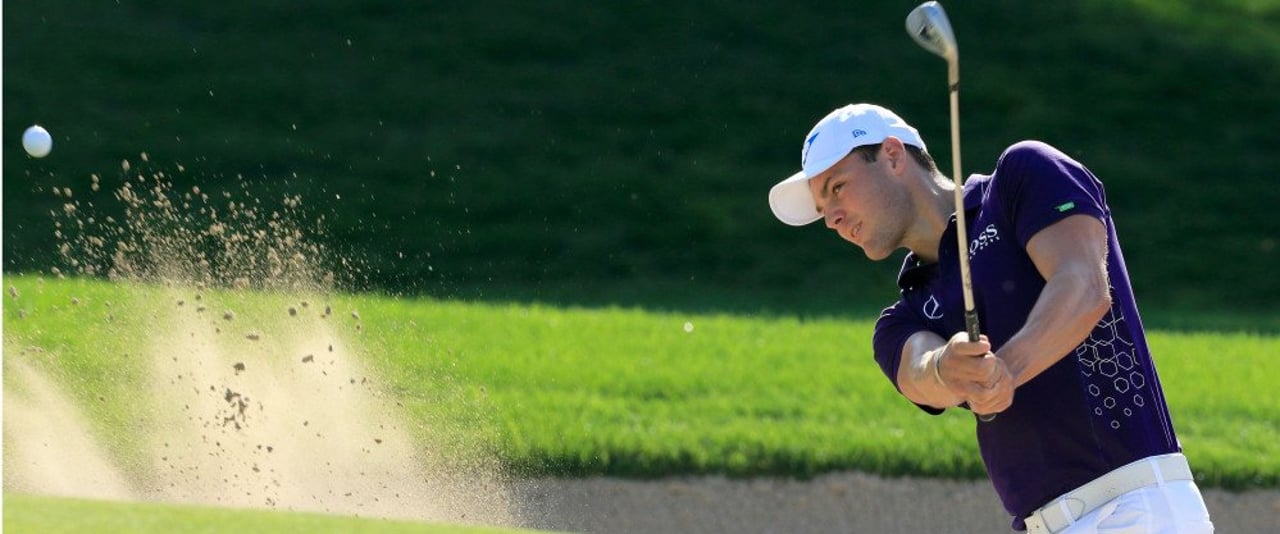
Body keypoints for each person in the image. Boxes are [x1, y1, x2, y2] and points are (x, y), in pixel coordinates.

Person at [767, 103, 1215, 533]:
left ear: (892, 155)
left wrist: (1006, 370)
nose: (832, 218)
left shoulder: (1022, 177)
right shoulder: (900, 320)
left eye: (837, 188)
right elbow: (921, 371)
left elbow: (1084, 286)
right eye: (823, 209)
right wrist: (946, 368)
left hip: (1135, 508)